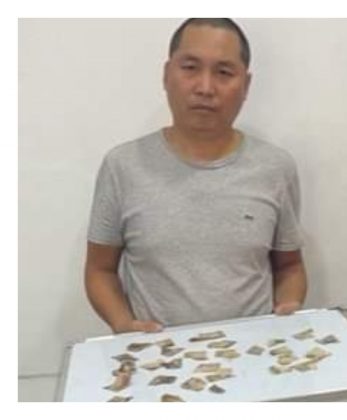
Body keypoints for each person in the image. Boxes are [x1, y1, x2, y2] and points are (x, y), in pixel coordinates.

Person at [84, 18, 307, 334]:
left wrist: (288, 308)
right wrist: (123, 324)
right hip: (157, 355)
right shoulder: (122, 166)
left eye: (224, 73)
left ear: (246, 85)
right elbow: (100, 269)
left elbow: (290, 266)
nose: (205, 87)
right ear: (166, 74)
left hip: (253, 355)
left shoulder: (275, 167)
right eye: (190, 68)